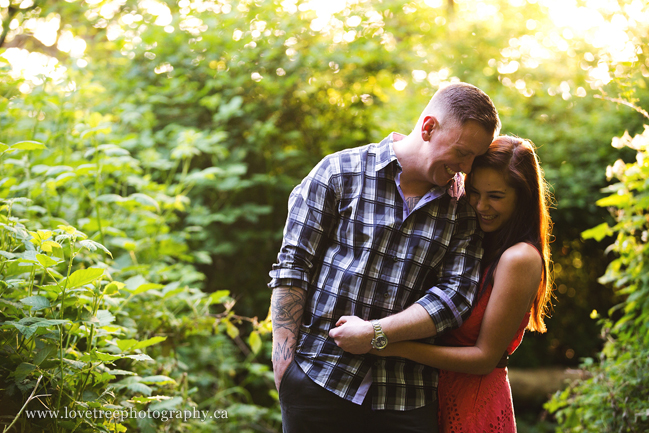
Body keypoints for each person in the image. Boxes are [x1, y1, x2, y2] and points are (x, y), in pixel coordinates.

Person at [268, 82, 501, 433]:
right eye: (462, 152)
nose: (467, 168)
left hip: (407, 399)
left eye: (474, 158)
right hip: (318, 379)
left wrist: (377, 333)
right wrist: (285, 371)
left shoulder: (463, 212)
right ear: (428, 128)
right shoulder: (339, 172)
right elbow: (293, 267)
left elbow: (454, 298)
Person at [337, 136, 554, 432]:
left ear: (523, 196)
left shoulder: (520, 258)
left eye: (496, 196)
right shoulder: (477, 241)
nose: (480, 206)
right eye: (474, 192)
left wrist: (388, 343)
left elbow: (483, 359)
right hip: (429, 397)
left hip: (473, 408)